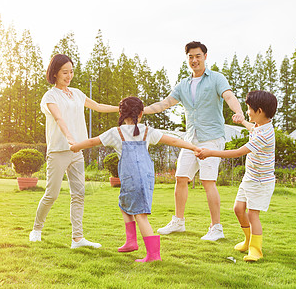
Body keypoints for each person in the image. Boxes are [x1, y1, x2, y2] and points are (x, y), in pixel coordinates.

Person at [70, 96, 201, 262]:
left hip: (132, 179)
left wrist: (75, 146)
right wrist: (193, 147)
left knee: (140, 215)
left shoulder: (116, 133)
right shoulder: (148, 131)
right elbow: (174, 140)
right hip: (144, 178)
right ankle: (131, 241)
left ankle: (153, 255)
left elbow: (91, 142)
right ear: (140, 114)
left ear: (121, 113)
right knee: (124, 204)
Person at [143, 41, 245, 240]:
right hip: (190, 139)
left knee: (208, 181)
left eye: (198, 56)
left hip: (211, 138)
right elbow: (165, 104)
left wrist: (239, 112)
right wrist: (141, 110)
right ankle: (178, 222)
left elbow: (229, 96)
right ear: (187, 59)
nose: (194, 60)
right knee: (181, 179)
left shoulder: (216, 78)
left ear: (205, 56)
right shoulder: (184, 84)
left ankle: (216, 228)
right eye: (190, 57)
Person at [29, 54, 119, 248]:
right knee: (51, 194)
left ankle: (77, 238)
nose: (69, 76)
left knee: (79, 193)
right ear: (54, 73)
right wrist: (70, 139)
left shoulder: (77, 93)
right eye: (65, 72)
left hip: (77, 151)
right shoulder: (50, 96)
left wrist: (122, 108)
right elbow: (59, 119)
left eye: (71, 71)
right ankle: (36, 229)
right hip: (59, 151)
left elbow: (98, 106)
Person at [197, 90, 277, 262]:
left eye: (248, 109)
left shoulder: (265, 134)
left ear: (259, 111)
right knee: (238, 209)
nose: (247, 111)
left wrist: (211, 152)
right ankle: (248, 240)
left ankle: (256, 249)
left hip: (261, 182)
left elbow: (238, 152)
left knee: (253, 214)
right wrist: (243, 121)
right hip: (250, 178)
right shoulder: (259, 126)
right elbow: (251, 128)